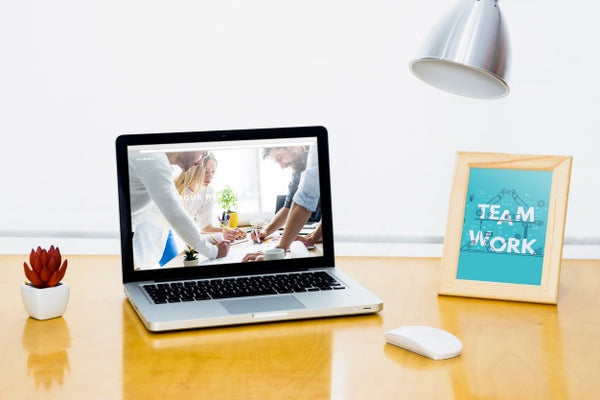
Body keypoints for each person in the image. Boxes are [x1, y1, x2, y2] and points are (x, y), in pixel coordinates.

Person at [129, 150, 229, 269]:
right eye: (202, 154)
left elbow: (180, 213)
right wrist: (213, 252)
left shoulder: (160, 164)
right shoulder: (154, 162)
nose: (200, 163)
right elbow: (176, 216)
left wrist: (217, 238)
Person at [243, 144, 321, 262]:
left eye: (280, 158)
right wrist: (265, 231)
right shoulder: (298, 170)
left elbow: (304, 204)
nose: (282, 166)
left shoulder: (316, 152)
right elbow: (288, 208)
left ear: (292, 146)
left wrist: (278, 251)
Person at [174, 152, 246, 242]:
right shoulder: (176, 190)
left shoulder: (208, 191)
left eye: (213, 172)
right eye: (206, 171)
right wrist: (221, 235)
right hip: (171, 236)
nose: (210, 176)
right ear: (194, 169)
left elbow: (206, 227)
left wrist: (229, 231)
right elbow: (184, 232)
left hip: (186, 238)